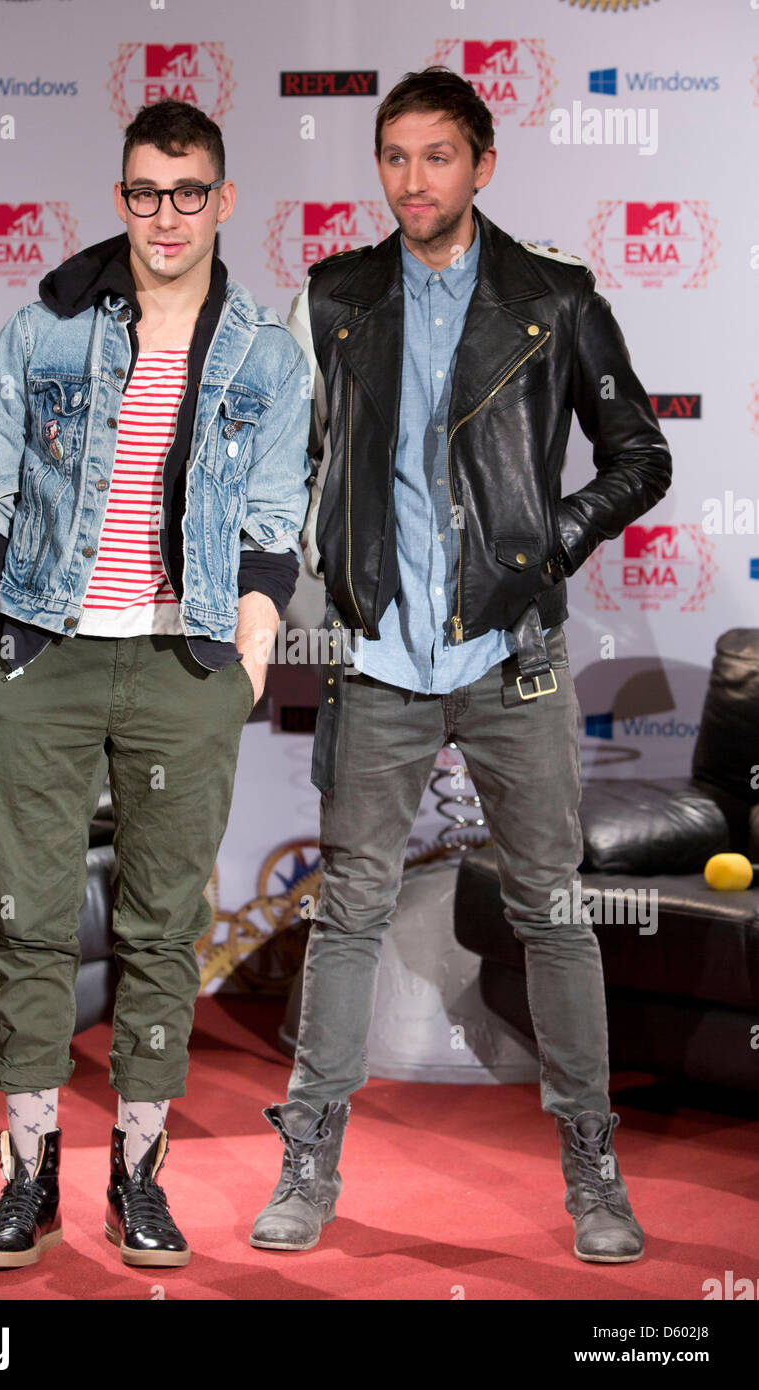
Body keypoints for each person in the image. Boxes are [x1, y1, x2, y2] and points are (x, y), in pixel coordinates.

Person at [251, 67, 671, 1264]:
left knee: (553, 913)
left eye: (438, 156)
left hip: (512, 653)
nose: (413, 179)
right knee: (345, 916)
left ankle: (592, 1171)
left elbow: (638, 454)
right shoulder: (336, 296)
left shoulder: (556, 298)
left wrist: (554, 542)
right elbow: (291, 460)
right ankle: (309, 1161)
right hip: (380, 655)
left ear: (481, 166)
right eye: (394, 157)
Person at [0, 99, 310, 1270]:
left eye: (188, 191)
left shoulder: (264, 352)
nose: (166, 214)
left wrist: (245, 657)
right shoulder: (47, 325)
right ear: (121, 197)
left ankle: (138, 1175)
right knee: (31, 922)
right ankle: (28, 1174)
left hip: (182, 663)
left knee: (161, 929)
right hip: (45, 655)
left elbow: (270, 518)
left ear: (223, 199)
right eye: (145, 192)